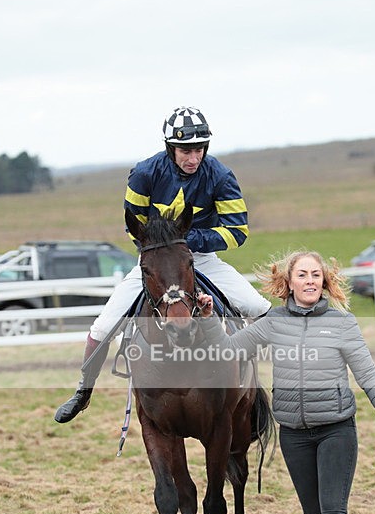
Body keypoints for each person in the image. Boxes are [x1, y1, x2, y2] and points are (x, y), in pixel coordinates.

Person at [196, 250, 375, 514]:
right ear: (288, 282)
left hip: (337, 428)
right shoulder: (272, 323)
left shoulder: (342, 324)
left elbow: (368, 374)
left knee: (333, 509)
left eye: (317, 275)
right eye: (303, 275)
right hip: (293, 432)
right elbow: (226, 352)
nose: (310, 281)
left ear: (325, 282)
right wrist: (211, 320)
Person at [55, 106, 270, 423]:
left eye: (199, 149)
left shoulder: (221, 176)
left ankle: (266, 378)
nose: (192, 158)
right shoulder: (144, 173)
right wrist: (162, 253)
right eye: (185, 150)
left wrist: (188, 243)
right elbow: (133, 227)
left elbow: (238, 232)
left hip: (202, 260)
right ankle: (83, 392)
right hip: (154, 263)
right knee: (102, 327)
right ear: (171, 147)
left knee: (260, 306)